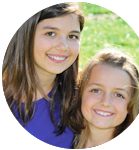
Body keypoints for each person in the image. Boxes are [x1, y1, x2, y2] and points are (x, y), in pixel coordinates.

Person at [2, 2, 85, 148]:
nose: (63, 46)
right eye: (50, 33)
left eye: (72, 36)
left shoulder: (82, 96)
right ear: (25, 35)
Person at [70, 49, 139, 148]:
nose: (105, 102)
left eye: (119, 95)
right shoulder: (58, 138)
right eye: (96, 90)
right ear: (80, 92)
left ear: (130, 105)